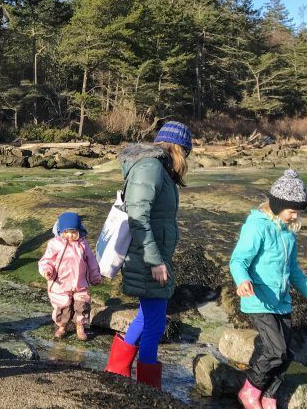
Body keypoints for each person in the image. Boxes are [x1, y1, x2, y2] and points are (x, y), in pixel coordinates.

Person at [228, 169, 307, 409]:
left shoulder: (288, 233)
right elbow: (239, 260)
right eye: (292, 210)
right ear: (278, 204)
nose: (295, 215)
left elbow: (294, 271)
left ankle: (270, 400)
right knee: (275, 350)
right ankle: (250, 390)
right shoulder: (257, 227)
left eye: (298, 211)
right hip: (258, 299)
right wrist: (242, 280)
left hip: (281, 301)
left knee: (287, 353)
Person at [103, 121, 193, 389]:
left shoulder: (156, 167)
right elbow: (138, 216)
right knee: (154, 323)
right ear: (178, 148)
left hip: (151, 255)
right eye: (186, 153)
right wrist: (155, 261)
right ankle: (148, 387)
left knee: (146, 316)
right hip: (147, 257)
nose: (186, 160)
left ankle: (116, 370)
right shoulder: (151, 167)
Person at [38, 212, 101, 341]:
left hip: (80, 281)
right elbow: (46, 260)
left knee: (82, 304)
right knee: (62, 305)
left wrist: (95, 276)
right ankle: (62, 325)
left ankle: (80, 326)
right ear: (61, 231)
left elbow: (91, 261)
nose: (70, 235)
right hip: (60, 282)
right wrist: (47, 270)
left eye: (73, 232)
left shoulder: (83, 244)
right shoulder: (55, 244)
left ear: (79, 231)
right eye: (67, 232)